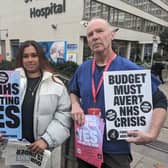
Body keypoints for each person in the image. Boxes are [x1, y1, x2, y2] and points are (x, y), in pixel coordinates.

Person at [68, 18, 167, 168]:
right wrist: (75, 104)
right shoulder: (83, 68)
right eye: (90, 34)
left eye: (100, 31)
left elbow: (160, 100)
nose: (95, 36)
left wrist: (152, 134)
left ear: (112, 35)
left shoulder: (130, 69)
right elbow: (73, 90)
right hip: (87, 146)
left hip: (116, 151)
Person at [1, 40, 72, 167]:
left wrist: (46, 140)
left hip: (43, 154)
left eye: (34, 55)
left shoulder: (56, 84)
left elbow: (64, 117)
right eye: (25, 56)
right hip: (15, 152)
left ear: (40, 58)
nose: (30, 60)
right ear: (21, 59)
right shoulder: (10, 83)